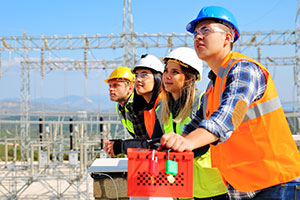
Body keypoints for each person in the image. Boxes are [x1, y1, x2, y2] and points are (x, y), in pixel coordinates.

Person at [159, 6, 300, 199]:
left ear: (228, 38)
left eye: (206, 30)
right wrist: (175, 145)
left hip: (277, 184)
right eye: (196, 33)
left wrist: (186, 141)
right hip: (245, 187)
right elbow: (195, 127)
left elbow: (227, 117)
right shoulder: (213, 86)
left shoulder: (243, 69)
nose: (198, 37)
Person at [158, 47, 227, 200]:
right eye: (166, 71)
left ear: (189, 77)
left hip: (213, 188)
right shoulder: (161, 109)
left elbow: (208, 142)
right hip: (182, 190)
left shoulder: (203, 102)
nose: (167, 76)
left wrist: (175, 153)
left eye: (175, 72)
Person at [104, 54, 164, 157]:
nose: (138, 79)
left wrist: (121, 146)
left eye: (116, 85)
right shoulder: (144, 107)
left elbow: (153, 143)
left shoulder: (157, 105)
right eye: (136, 75)